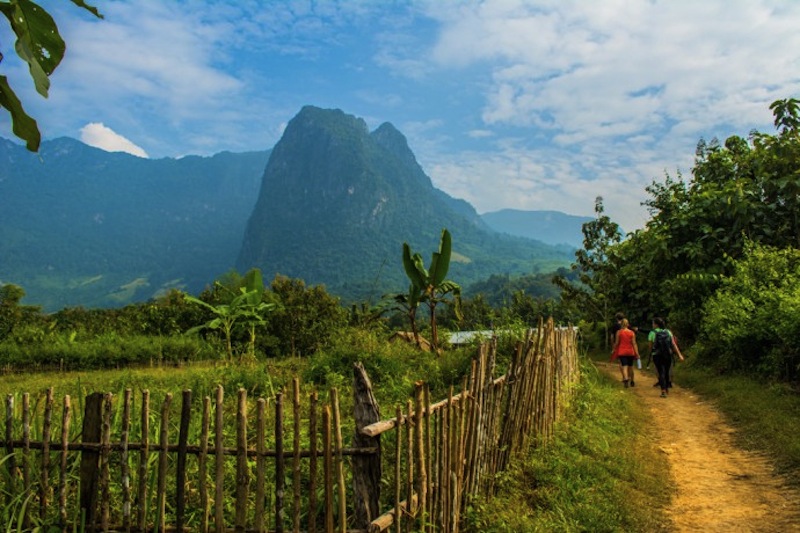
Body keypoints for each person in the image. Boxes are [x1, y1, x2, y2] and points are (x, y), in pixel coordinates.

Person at [647, 317, 684, 397]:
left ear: (656, 324)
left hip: (657, 355)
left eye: (653, 323)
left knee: (661, 372)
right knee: (666, 372)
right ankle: (666, 387)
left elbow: (650, 347)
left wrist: (650, 356)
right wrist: (679, 355)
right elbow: (673, 344)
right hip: (667, 354)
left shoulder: (652, 333)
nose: (652, 325)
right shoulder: (668, 332)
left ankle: (663, 390)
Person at [611, 318, 640, 387]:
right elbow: (634, 343)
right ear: (628, 324)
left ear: (621, 324)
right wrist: (637, 353)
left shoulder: (619, 332)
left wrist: (614, 349)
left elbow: (617, 342)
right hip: (630, 351)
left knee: (624, 366)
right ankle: (632, 380)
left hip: (622, 352)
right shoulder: (632, 332)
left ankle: (626, 378)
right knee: (631, 366)